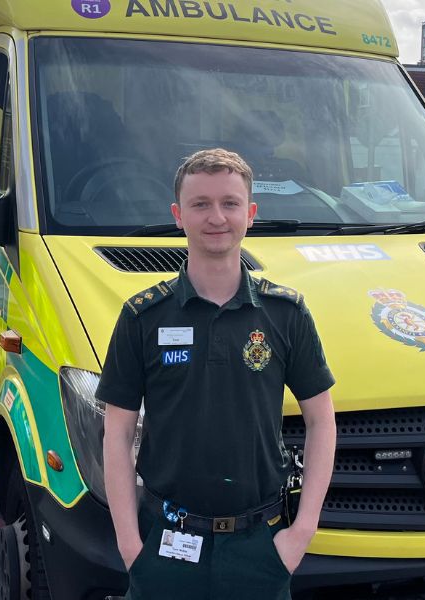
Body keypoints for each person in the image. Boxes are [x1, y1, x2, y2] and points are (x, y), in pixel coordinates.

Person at [97, 148, 336, 600]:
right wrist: (131, 545)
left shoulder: (285, 313)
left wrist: (302, 532)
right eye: (200, 204)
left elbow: (322, 421)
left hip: (261, 545)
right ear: (178, 215)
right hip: (165, 540)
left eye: (229, 203)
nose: (216, 217)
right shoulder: (143, 316)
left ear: (250, 213)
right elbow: (117, 433)